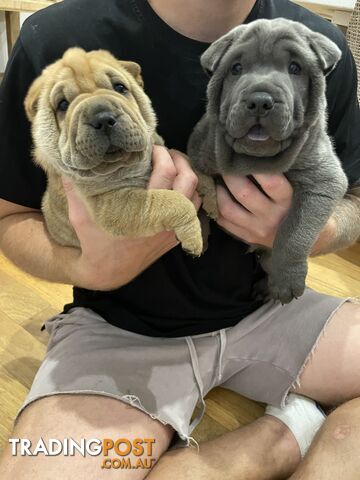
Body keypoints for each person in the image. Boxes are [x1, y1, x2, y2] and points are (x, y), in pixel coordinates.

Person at [0, 0, 359, 478]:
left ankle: (291, 434)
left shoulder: (321, 47)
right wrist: (85, 269)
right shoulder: (54, 35)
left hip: (268, 310)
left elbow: (353, 197)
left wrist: (307, 234)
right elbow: (9, 216)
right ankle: (286, 434)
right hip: (119, 332)